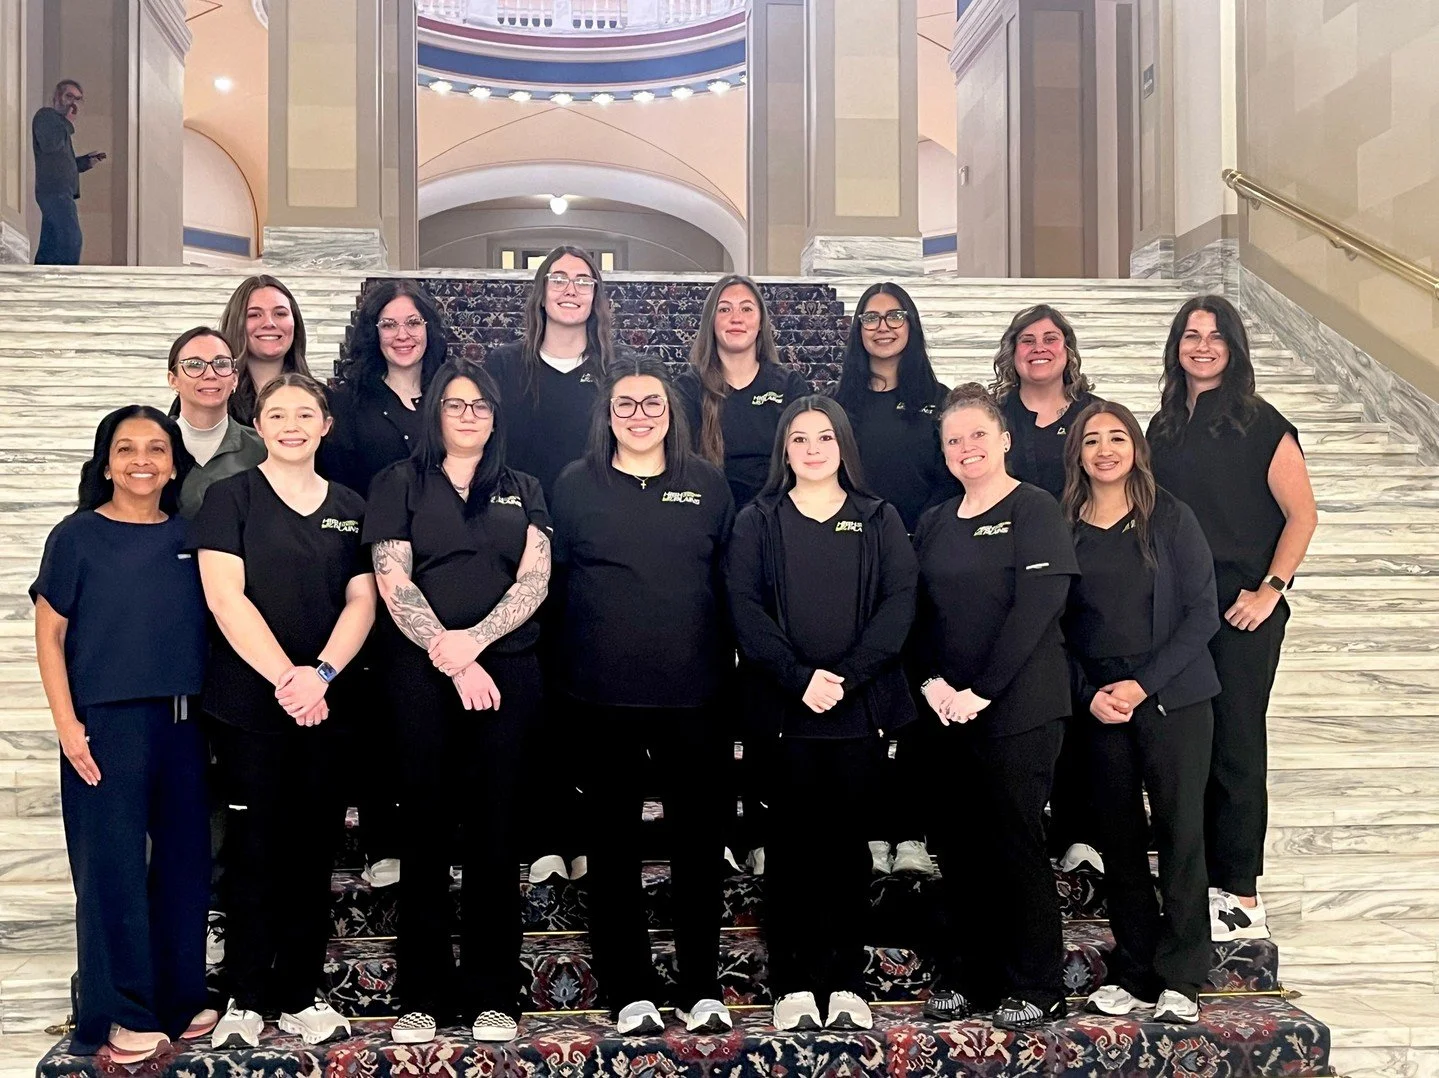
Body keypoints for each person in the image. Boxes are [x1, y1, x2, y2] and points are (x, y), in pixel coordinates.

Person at [366, 360, 550, 1045]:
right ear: (433, 413)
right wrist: (446, 651)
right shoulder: (398, 482)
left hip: (507, 674)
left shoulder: (524, 487)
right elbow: (392, 579)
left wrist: (473, 644)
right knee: (426, 832)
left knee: (497, 835)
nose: (468, 414)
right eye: (454, 404)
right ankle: (422, 994)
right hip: (419, 677)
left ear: (495, 416)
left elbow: (534, 580)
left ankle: (493, 994)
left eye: (479, 405)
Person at [549, 355, 735, 1037]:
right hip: (601, 698)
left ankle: (700, 986)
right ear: (606, 415)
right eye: (624, 404)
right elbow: (558, 589)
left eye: (650, 403)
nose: (637, 415)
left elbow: (726, 586)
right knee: (614, 848)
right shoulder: (573, 486)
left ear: (671, 413)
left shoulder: (708, 486)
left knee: (695, 847)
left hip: (695, 697)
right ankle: (628, 987)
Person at [191, 374, 376, 1049]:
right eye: (277, 413)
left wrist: (320, 675)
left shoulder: (353, 506)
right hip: (250, 708)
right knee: (253, 848)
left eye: (306, 413)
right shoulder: (228, 497)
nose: (291, 424)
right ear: (258, 423)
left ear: (326, 424)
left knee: (311, 850)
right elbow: (224, 596)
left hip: (328, 706)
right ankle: (243, 993)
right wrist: (286, 679)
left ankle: (299, 991)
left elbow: (363, 599)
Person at [726, 395, 916, 1034]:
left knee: (846, 852)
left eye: (825, 438)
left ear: (843, 447)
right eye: (800, 438)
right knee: (790, 850)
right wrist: (799, 678)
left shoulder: (879, 517)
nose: (812, 449)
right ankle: (792, 982)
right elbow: (745, 609)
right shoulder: (759, 518)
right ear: (784, 449)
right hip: (784, 714)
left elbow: (899, 604)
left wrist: (847, 679)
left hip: (858, 715)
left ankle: (845, 978)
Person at [31, 406, 212, 1063]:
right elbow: (49, 635)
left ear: (172, 463)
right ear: (105, 462)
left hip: (185, 724)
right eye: (127, 449)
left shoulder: (193, 537)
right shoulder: (76, 536)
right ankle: (119, 1010)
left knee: (185, 867)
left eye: (156, 449)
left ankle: (181, 995)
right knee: (110, 872)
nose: (142, 460)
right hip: (105, 725)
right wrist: (67, 725)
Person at [1147, 295, 1317, 943]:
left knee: (1236, 746)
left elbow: (1302, 514)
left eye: (1214, 336)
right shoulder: (1160, 427)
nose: (1201, 345)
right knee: (1185, 748)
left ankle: (1239, 894)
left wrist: (1270, 589)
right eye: (1189, 335)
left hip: (1243, 608)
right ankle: (1190, 882)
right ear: (1175, 346)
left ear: (1233, 347)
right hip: (1179, 611)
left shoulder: (1260, 422)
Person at [912, 383, 1078, 1031]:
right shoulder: (932, 520)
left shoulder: (1034, 509)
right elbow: (916, 615)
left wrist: (980, 691)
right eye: (953, 440)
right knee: (957, 846)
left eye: (976, 434)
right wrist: (931, 687)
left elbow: (1036, 611)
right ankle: (968, 975)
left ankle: (1036, 984)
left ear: (1004, 438)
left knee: (1013, 842)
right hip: (944, 713)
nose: (965, 448)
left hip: (1019, 708)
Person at [1061, 401, 1220, 1026]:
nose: (1105, 449)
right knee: (1119, 842)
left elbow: (1202, 613)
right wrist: (1090, 694)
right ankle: (1134, 968)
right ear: (1076, 452)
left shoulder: (1171, 518)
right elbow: (1056, 625)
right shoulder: (1062, 524)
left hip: (1171, 697)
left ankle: (1181, 974)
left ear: (1136, 447)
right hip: (1100, 706)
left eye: (1117, 438)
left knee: (1180, 833)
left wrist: (1142, 685)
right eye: (1091, 439)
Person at [483, 245, 618, 885]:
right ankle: (539, 834)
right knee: (529, 700)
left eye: (582, 279)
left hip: (599, 551)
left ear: (596, 293)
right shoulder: (505, 369)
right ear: (540, 291)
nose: (570, 288)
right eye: (558, 278)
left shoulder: (615, 369)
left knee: (587, 700)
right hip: (519, 550)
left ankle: (588, 835)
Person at [320, 278, 448, 890]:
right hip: (372, 563)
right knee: (378, 704)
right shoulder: (346, 402)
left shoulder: (454, 396)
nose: (403, 335)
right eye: (390, 324)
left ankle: (445, 834)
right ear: (374, 334)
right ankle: (380, 838)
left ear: (430, 329)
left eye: (414, 323)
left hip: (447, 564)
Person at [832, 280, 954, 878]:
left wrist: (913, 537)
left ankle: (909, 832)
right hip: (852, 564)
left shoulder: (940, 400)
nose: (882, 326)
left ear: (912, 325)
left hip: (923, 564)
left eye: (894, 316)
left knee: (915, 700)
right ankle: (865, 828)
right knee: (862, 700)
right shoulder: (839, 403)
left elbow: (954, 478)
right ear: (856, 329)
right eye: (870, 317)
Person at [989, 303, 1100, 872]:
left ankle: (1079, 829)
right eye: (1026, 339)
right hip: (1005, 584)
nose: (1039, 347)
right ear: (1011, 351)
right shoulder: (994, 416)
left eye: (1050, 338)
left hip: (1082, 579)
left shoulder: (1093, 417)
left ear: (1068, 350)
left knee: (1076, 696)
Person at [676, 274, 810, 510]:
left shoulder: (789, 386)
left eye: (747, 309)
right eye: (725, 310)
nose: (736, 318)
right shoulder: (687, 389)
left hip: (775, 515)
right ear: (711, 322)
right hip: (708, 514)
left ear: (761, 322)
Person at [166, 326, 266, 518]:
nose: (210, 374)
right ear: (173, 380)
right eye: (194, 364)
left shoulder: (263, 449)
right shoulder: (151, 446)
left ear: (234, 379)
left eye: (221, 364)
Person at [218, 275, 314, 425]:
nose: (269, 323)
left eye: (280, 313)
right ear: (236, 323)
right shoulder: (210, 398)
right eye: (254, 315)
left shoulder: (326, 401)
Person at [32, 79, 105, 265]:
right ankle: (66, 279)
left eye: (78, 99)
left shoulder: (59, 125)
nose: (73, 103)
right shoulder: (46, 116)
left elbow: (63, 163)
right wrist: (68, 122)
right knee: (71, 239)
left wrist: (86, 162)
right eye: (69, 96)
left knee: (51, 242)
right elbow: (50, 145)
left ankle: (42, 278)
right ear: (57, 97)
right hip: (54, 191)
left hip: (60, 191)